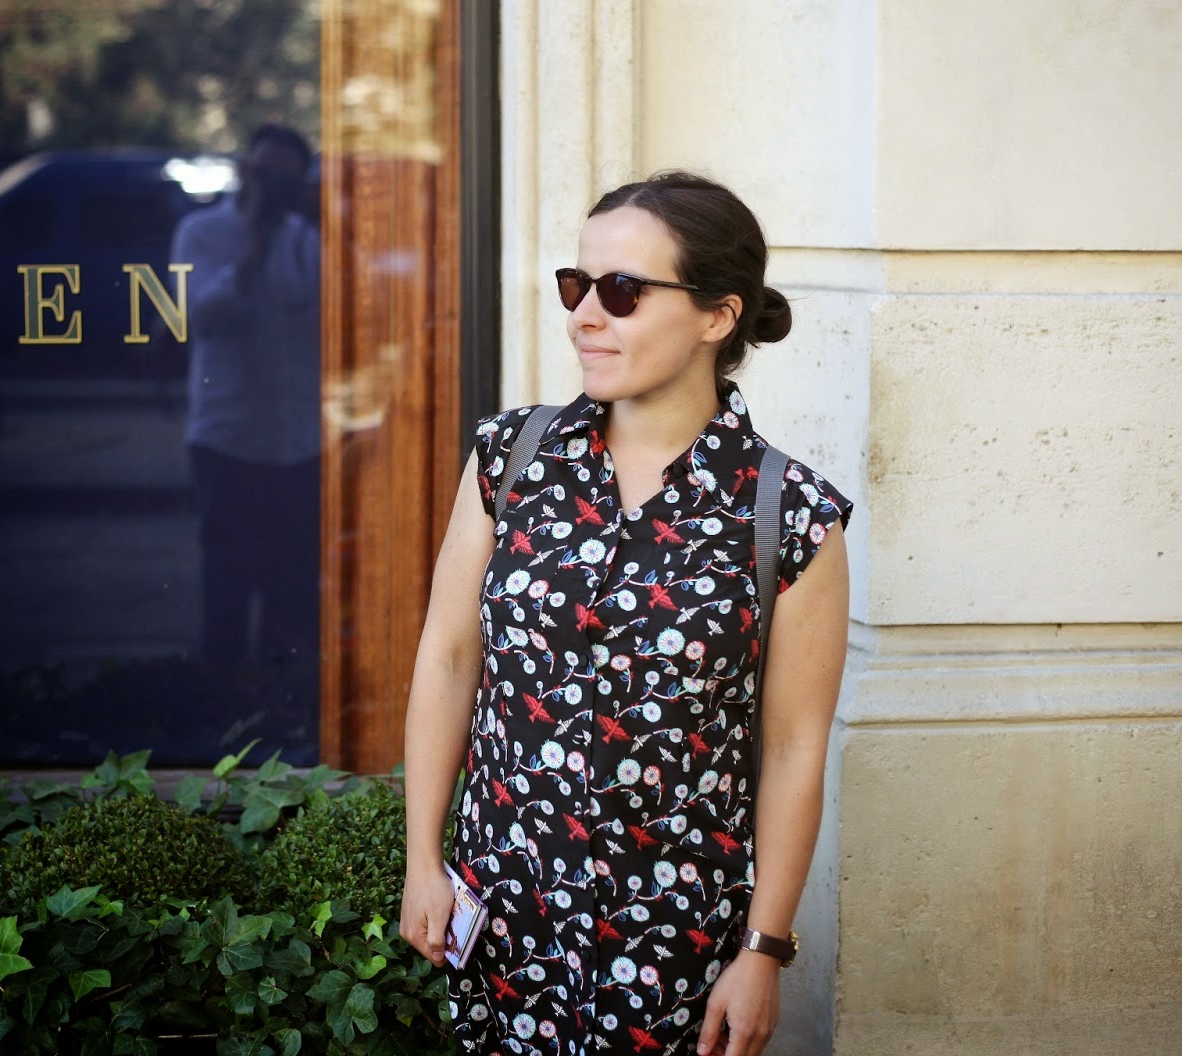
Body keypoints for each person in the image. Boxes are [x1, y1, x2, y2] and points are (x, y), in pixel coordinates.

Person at [400, 171, 853, 1056]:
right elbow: (450, 658)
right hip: (504, 914)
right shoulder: (511, 458)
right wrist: (426, 861)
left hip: (674, 944)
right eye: (579, 286)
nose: (583, 316)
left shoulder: (788, 515)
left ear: (718, 316)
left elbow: (796, 748)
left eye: (622, 292)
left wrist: (763, 950)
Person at [171, 124, 321, 672]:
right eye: (263, 174)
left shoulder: (309, 242)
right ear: (243, 171)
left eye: (284, 179)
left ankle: (280, 712)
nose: (270, 188)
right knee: (227, 591)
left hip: (297, 443)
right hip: (227, 439)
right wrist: (254, 247)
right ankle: (225, 710)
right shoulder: (201, 233)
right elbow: (198, 319)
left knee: (292, 594)